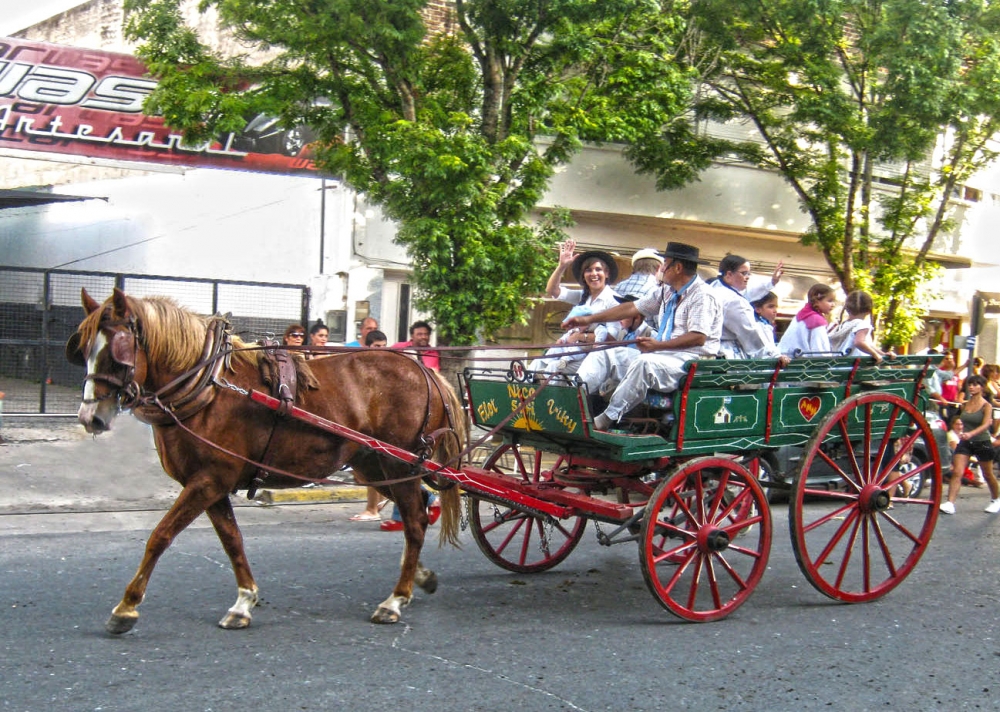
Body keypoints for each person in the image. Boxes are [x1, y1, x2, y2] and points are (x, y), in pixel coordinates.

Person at [564, 242, 722, 432]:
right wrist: (587, 318)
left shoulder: (703, 295)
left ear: (678, 268)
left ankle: (605, 419)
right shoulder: (666, 291)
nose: (661, 268)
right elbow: (632, 307)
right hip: (663, 357)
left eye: (665, 263)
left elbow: (698, 337)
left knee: (644, 363)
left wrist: (658, 346)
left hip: (692, 363)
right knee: (605, 354)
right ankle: (569, 403)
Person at [527, 240, 622, 374]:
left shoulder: (613, 300)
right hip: (572, 350)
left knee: (554, 368)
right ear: (584, 275)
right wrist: (562, 266)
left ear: (607, 274)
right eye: (588, 270)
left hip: (595, 359)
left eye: (598, 269)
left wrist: (579, 337)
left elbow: (612, 339)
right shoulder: (583, 296)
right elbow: (552, 291)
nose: (593, 274)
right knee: (537, 363)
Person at [939, 375, 1000, 515]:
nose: (971, 387)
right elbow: (958, 415)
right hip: (966, 442)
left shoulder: (986, 405)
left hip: (982, 442)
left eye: (975, 384)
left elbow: (986, 424)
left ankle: (996, 499)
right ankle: (950, 503)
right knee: (957, 472)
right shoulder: (965, 404)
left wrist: (971, 434)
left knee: (988, 474)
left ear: (982, 387)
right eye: (970, 384)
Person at [349, 330, 391, 522]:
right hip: (369, 423)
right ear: (367, 347)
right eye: (377, 347)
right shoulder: (360, 365)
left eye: (384, 347)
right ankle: (376, 504)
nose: (381, 351)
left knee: (373, 463)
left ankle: (372, 508)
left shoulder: (388, 367)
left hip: (380, 425)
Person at [709, 254, 784, 360]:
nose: (747, 277)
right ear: (729, 274)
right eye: (744, 273)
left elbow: (748, 292)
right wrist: (774, 356)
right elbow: (750, 332)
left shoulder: (714, 287)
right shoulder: (733, 300)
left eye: (749, 273)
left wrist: (771, 282)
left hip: (712, 352)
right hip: (727, 356)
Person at [778, 283, 836, 356]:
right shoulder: (817, 321)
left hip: (785, 358)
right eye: (830, 301)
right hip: (800, 363)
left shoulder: (801, 315)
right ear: (817, 301)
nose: (833, 304)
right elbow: (820, 352)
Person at [827, 290, 886, 362]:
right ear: (868, 311)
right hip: (856, 368)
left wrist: (882, 353)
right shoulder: (862, 324)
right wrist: (874, 354)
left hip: (840, 366)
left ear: (847, 309)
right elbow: (859, 342)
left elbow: (868, 344)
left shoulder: (843, 325)